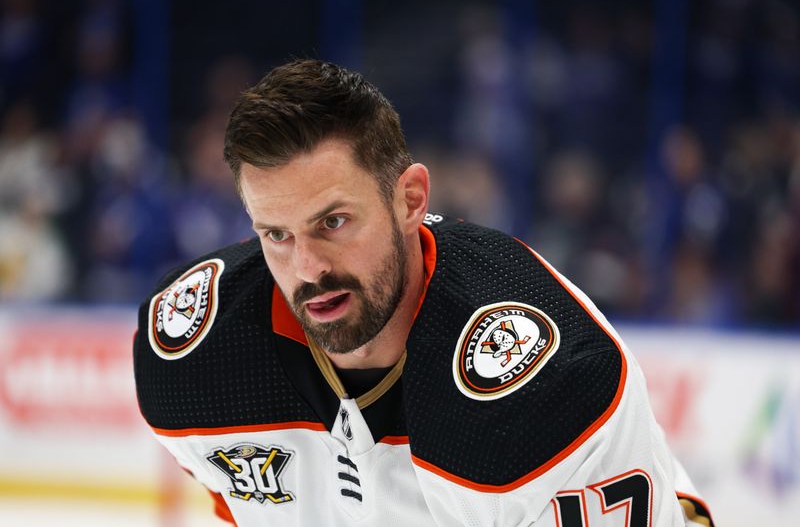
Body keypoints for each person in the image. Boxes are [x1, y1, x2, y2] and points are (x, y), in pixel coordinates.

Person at [133, 59, 714, 526]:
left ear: (410, 200)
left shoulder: (540, 386)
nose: (307, 268)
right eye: (277, 234)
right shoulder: (195, 358)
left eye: (333, 222)